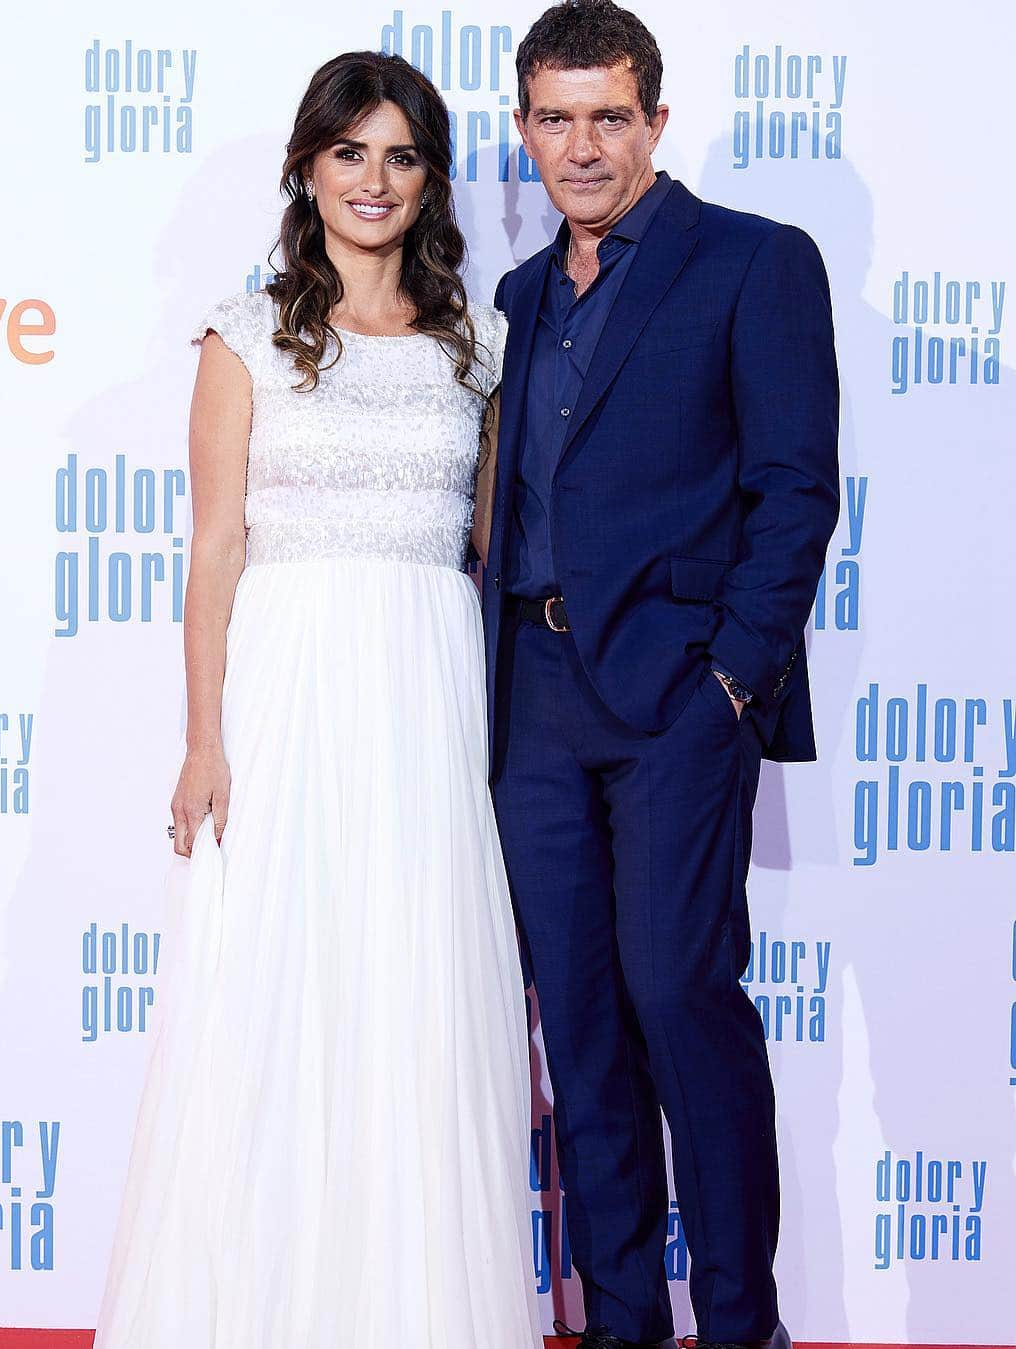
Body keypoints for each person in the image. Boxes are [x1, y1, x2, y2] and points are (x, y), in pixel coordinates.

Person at [94, 50, 541, 1349]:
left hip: (429, 693)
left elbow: (488, 546)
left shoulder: (482, 342)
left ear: (432, 177)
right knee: (275, 994)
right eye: (350, 151)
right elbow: (216, 552)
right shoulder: (246, 337)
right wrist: (201, 740)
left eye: (401, 154)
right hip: (291, 692)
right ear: (307, 166)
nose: (375, 180)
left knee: (417, 994)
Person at [484, 3, 840, 1348]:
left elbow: (796, 492)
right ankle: (625, 1319)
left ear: (656, 121)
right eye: (557, 119)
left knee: (681, 999)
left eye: (610, 117)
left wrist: (734, 686)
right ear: (525, 131)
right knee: (577, 1031)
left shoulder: (752, 263)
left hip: (679, 701)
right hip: (533, 707)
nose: (583, 147)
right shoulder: (519, 298)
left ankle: (741, 1325)